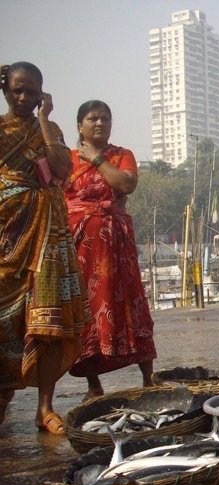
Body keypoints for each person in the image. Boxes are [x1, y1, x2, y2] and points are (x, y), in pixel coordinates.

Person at [0, 62, 89, 434]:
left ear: (42, 94)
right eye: (17, 90)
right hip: (8, 230)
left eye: (32, 91)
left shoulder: (49, 128)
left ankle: (45, 407)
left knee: (49, 320)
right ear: (6, 90)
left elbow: (62, 169)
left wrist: (44, 119)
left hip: (49, 234)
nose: (23, 97)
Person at [62, 100, 157, 399]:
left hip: (116, 245)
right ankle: (93, 384)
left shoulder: (121, 155)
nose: (100, 123)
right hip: (82, 247)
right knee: (87, 310)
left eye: (105, 118)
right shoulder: (66, 159)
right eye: (92, 119)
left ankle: (148, 378)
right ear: (80, 125)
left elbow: (126, 184)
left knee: (132, 302)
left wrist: (98, 160)